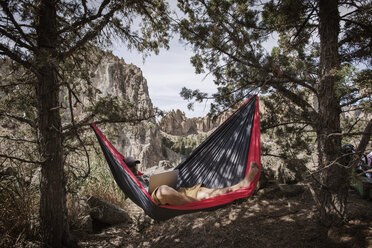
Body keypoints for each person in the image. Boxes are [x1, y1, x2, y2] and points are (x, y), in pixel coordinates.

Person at [123, 156, 259, 206]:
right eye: (131, 166)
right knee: (164, 191)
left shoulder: (144, 176)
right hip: (155, 197)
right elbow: (131, 195)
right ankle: (204, 206)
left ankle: (241, 185)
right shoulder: (127, 181)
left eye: (135, 165)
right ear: (125, 169)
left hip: (176, 192)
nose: (134, 167)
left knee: (205, 192)